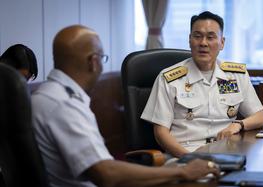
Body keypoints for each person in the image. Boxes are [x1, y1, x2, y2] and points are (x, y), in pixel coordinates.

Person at [31, 25, 219, 187]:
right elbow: (107, 174)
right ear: (93, 62)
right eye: (103, 58)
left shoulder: (45, 95)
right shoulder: (64, 105)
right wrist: (182, 172)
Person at [141, 11, 263, 158]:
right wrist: (190, 159)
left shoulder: (235, 75)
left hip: (226, 152)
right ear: (190, 40)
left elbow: (260, 117)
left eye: (210, 37)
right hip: (184, 154)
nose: (203, 43)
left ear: (222, 43)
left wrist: (238, 125)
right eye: (197, 36)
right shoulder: (169, 78)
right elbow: (161, 133)